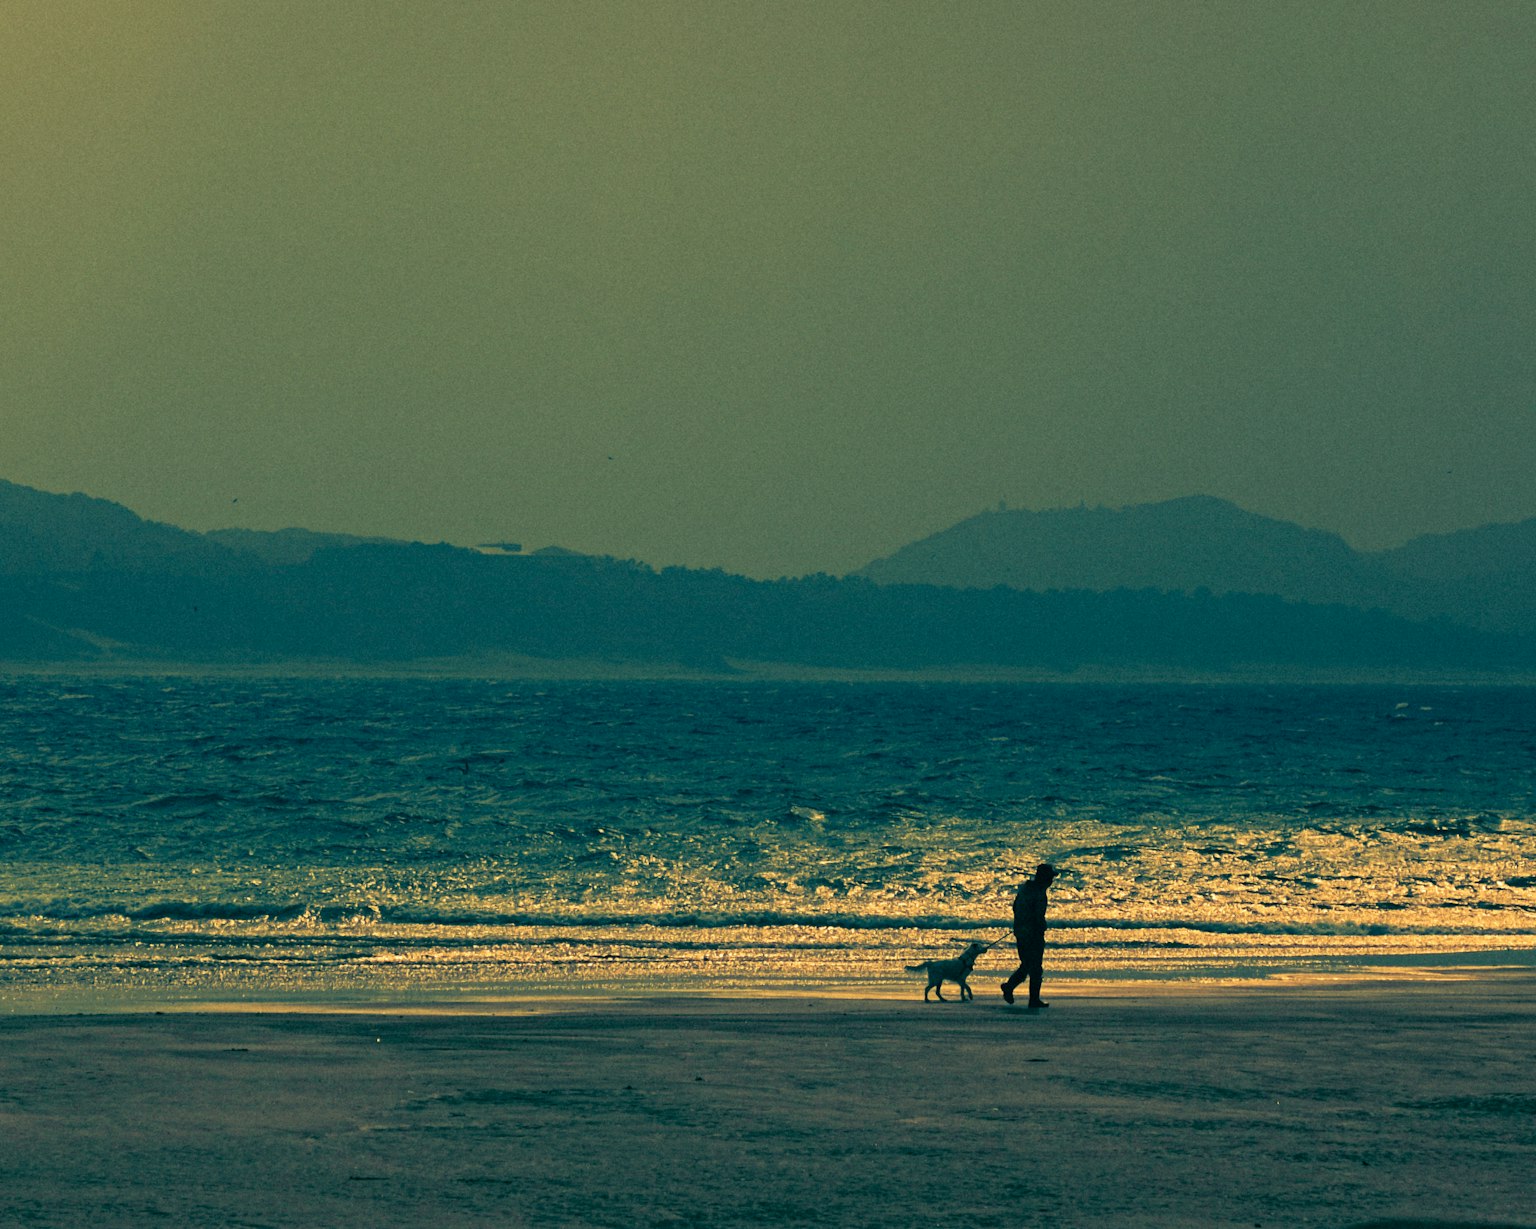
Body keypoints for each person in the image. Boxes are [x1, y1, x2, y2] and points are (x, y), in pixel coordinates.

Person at [1001, 862, 1056, 1008]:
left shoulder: (1025, 889)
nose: (1052, 881)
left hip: (1021, 931)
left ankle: (1010, 987)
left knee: (1027, 965)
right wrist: (1039, 926)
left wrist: (1020, 924)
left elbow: (1015, 908)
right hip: (1032, 933)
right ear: (1044, 878)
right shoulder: (1038, 892)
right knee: (1035, 967)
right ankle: (1032, 999)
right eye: (1050, 877)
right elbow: (1037, 915)